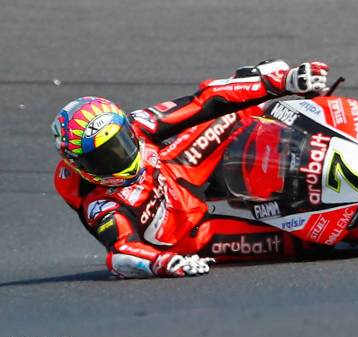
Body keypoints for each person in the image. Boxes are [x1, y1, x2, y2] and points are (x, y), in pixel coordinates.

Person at [52, 60, 329, 278]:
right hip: (189, 237)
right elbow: (121, 254)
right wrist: (164, 263)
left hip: (179, 171)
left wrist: (281, 81)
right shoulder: (100, 204)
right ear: (79, 165)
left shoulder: (141, 125)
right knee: (302, 245)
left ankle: (319, 110)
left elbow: (203, 101)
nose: (120, 158)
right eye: (103, 158)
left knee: (253, 86)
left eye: (121, 143)